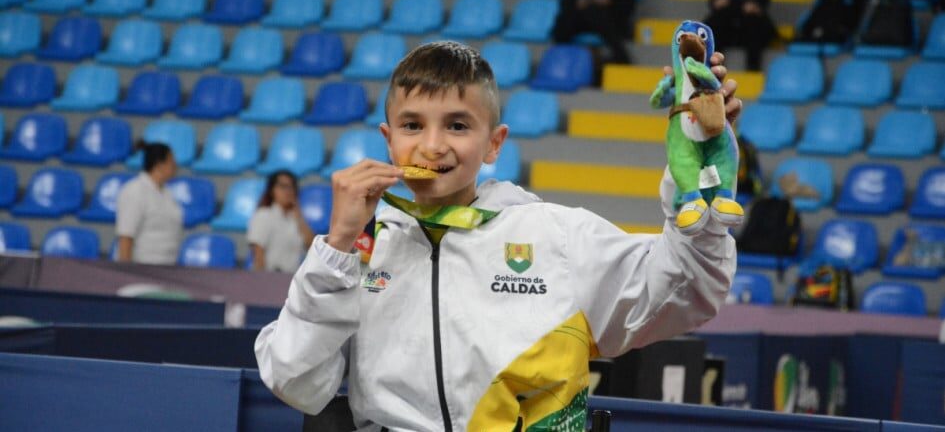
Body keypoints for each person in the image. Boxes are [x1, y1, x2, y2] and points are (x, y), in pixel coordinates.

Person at [255, 41, 741, 430]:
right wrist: (336, 246)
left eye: (458, 125)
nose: (431, 145)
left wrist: (695, 179)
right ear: (388, 139)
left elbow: (690, 289)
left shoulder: (556, 236)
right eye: (412, 125)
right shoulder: (358, 254)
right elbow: (295, 381)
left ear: (494, 143)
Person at [115, 142, 182, 265]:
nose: (175, 165)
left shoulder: (167, 193)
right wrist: (125, 272)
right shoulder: (135, 191)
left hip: (167, 266)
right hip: (143, 267)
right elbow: (126, 237)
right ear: (159, 165)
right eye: (171, 161)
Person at [246, 170, 315, 273]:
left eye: (292, 187)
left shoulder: (296, 220)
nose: (288, 191)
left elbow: (312, 248)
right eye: (283, 186)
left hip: (290, 278)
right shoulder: (264, 215)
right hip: (269, 276)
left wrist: (299, 216)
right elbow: (258, 254)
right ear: (272, 190)